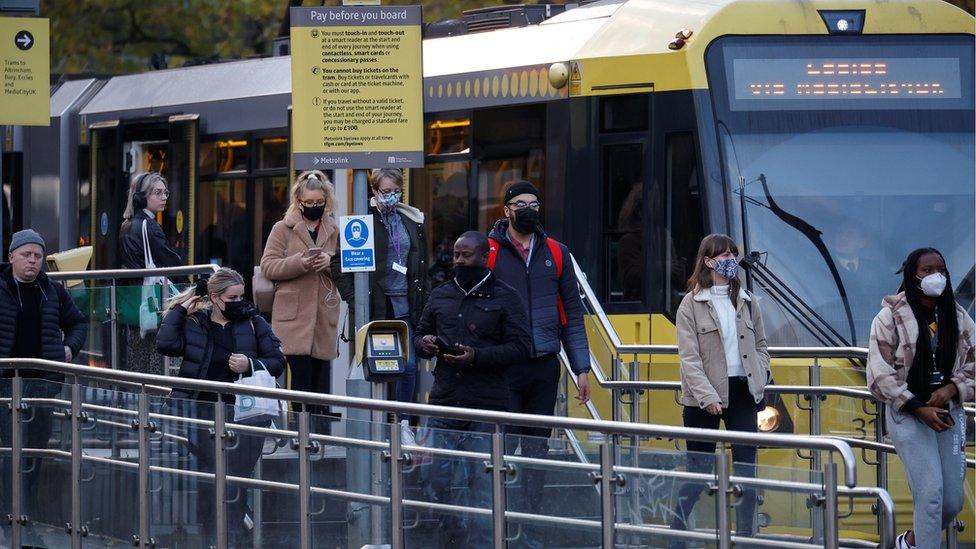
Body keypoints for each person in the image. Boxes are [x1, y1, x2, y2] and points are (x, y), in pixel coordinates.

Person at [485, 180, 590, 546]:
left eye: (535, 203)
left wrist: (582, 368)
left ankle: (529, 526)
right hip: (504, 366)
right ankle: (499, 523)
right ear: (506, 210)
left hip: (545, 365)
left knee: (536, 450)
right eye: (521, 203)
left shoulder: (557, 253)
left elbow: (572, 315)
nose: (529, 209)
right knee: (503, 447)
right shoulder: (490, 252)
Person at [413, 231, 531, 547]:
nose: (459, 261)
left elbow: (521, 347)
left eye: (466, 255)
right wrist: (424, 344)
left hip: (487, 406)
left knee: (484, 490)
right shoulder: (441, 294)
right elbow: (421, 333)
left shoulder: (507, 297)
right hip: (445, 402)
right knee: (434, 480)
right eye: (455, 255)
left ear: (483, 257)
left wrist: (476, 357)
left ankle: (481, 543)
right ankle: (454, 535)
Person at [156, 267, 286, 546]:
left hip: (246, 417)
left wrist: (250, 364)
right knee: (212, 480)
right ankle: (214, 537)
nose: (239, 302)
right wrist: (180, 310)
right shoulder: (195, 323)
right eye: (232, 297)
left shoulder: (254, 323)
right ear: (214, 298)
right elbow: (165, 344)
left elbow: (278, 361)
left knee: (236, 480)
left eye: (241, 296)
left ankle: (232, 536)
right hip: (201, 415)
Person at [867, 248, 973, 549]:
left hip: (947, 412)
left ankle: (909, 542)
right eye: (927, 270)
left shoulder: (957, 315)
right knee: (930, 495)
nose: (935, 276)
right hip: (908, 412)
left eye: (940, 269)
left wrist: (952, 389)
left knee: (952, 501)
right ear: (913, 273)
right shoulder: (889, 316)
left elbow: (974, 362)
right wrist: (918, 406)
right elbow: (878, 374)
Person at [670, 233, 770, 547]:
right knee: (697, 472)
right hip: (704, 398)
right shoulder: (690, 304)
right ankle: (674, 533)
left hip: (742, 392)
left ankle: (745, 537)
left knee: (747, 472)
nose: (729, 260)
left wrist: (761, 375)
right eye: (722, 255)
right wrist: (708, 396)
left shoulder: (747, 299)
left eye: (732, 254)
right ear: (708, 261)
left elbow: (762, 346)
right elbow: (689, 357)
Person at [331, 168, 429, 445]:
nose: (390, 196)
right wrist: (354, 298)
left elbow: (422, 264)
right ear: (374, 191)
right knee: (378, 365)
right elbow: (337, 264)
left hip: (407, 304)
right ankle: (376, 426)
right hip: (377, 304)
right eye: (385, 191)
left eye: (395, 191)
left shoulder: (412, 220)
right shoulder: (362, 221)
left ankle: (402, 423)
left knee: (408, 366)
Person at [0, 230, 87, 531]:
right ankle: (10, 516)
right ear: (11, 256)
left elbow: (77, 322)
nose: (33, 261)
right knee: (10, 450)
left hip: (43, 385)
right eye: (27, 255)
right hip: (4, 384)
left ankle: (26, 514)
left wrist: (69, 348)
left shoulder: (53, 290)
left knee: (35, 450)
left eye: (38, 256)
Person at [260, 170, 340, 417]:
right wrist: (301, 262)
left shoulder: (334, 229)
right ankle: (302, 434)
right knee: (302, 381)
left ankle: (315, 435)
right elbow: (268, 265)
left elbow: (347, 269)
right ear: (299, 202)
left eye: (319, 203)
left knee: (319, 383)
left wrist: (330, 262)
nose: (315, 207)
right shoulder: (282, 228)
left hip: (323, 313)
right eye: (309, 203)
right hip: (293, 317)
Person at [118, 171, 186, 374]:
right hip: (153, 304)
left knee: (138, 365)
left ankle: (140, 403)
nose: (164, 197)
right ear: (141, 197)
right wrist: (189, 287)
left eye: (165, 192)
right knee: (161, 365)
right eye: (157, 192)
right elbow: (171, 264)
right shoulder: (150, 226)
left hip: (133, 305)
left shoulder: (126, 225)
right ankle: (160, 404)